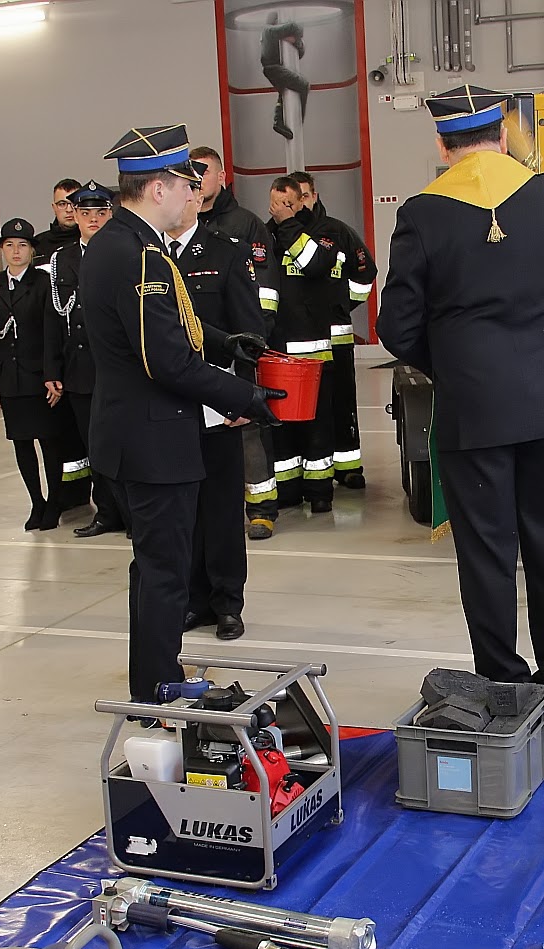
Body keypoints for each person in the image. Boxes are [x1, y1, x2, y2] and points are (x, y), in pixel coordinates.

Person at [377, 86, 544, 731]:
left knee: (486, 552)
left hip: (473, 411)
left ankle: (505, 685)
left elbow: (395, 328)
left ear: (441, 145)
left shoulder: (422, 214)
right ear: (504, 136)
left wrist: (454, 364)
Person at [78, 124, 281, 704]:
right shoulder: (138, 254)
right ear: (159, 188)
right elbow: (166, 361)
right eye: (186, 184)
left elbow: (170, 327)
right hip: (154, 438)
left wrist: (224, 342)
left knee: (154, 568)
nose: (194, 194)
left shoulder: (121, 243)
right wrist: (245, 398)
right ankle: (158, 690)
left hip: (134, 432)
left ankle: (155, 678)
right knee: (164, 572)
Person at [164, 166, 267, 642]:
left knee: (222, 509)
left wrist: (242, 395)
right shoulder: (147, 257)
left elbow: (250, 333)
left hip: (216, 402)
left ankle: (228, 602)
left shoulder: (226, 252)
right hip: (168, 405)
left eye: (187, 191)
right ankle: (193, 600)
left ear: (194, 200)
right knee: (181, 509)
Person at [193, 145, 281, 539]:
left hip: (237, 346)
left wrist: (253, 343)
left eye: (205, 172)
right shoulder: (177, 224)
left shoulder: (245, 224)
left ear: (222, 176)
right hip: (195, 350)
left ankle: (261, 509)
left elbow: (265, 291)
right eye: (192, 174)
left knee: (247, 428)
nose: (198, 181)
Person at [0, 217, 80, 530]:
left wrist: (54, 373)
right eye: (9, 245)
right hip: (9, 379)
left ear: (32, 250)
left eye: (22, 245)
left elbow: (53, 332)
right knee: (21, 443)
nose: (16, 251)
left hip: (40, 377)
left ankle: (54, 503)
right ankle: (36, 502)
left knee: (50, 443)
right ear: (1, 249)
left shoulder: (43, 283)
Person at [44, 180, 125, 537]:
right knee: (93, 447)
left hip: (116, 367)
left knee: (123, 443)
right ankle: (106, 513)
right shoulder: (60, 260)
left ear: (111, 214)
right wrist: (52, 368)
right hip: (78, 369)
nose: (94, 219)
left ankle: (131, 514)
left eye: (101, 212)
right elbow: (52, 318)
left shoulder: (124, 251)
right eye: (86, 212)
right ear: (74, 215)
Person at [290, 171, 377, 490]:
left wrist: (340, 305)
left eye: (305, 196)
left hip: (335, 337)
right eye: (293, 198)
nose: (300, 204)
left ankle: (348, 466)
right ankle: (309, 467)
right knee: (303, 408)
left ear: (314, 196)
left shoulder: (339, 232)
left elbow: (366, 274)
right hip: (297, 342)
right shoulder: (279, 233)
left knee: (341, 402)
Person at [265, 176, 343, 515]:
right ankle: (288, 490)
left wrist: (288, 224)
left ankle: (320, 491)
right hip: (277, 351)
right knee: (280, 428)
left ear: (300, 202)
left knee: (317, 427)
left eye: (286, 203)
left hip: (313, 351)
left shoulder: (325, 231)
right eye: (274, 203)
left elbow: (315, 264)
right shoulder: (265, 234)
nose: (278, 209)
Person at [260, 12, 308, 141]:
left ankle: (278, 120)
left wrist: (295, 41)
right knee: (303, 85)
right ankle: (298, 120)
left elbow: (300, 52)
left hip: (273, 68)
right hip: (273, 67)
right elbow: (294, 27)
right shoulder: (269, 30)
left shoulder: (273, 33)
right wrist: (292, 36)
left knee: (284, 91)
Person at [33, 177, 83, 260]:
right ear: (54, 208)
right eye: (62, 204)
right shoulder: (38, 244)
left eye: (74, 203)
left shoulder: (94, 241)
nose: (69, 210)